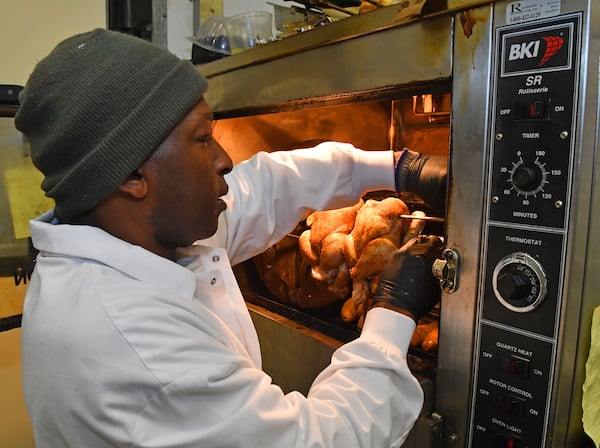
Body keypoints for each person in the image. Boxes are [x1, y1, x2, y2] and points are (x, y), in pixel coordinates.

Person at [15, 29, 447, 448]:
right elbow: (317, 440)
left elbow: (263, 189)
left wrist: (396, 166)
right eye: (203, 140)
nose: (225, 160)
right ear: (130, 175)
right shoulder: (130, 342)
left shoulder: (130, 231)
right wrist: (392, 309)